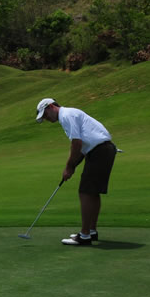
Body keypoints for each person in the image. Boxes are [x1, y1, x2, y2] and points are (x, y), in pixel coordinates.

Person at [35, 98, 118, 246]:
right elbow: (81, 148)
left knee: (85, 192)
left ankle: (84, 235)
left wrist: (68, 167)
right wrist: (72, 167)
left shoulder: (66, 115)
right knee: (92, 192)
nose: (46, 119)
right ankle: (91, 231)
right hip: (103, 150)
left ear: (51, 106)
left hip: (100, 151)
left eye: (45, 115)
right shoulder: (68, 115)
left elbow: (76, 143)